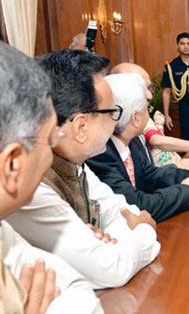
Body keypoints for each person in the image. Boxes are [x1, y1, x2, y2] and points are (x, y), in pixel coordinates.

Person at [7, 49, 160, 290]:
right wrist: (144, 229)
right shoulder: (31, 185)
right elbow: (111, 268)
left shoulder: (78, 165)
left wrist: (103, 242)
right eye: (112, 113)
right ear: (80, 126)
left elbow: (119, 208)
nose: (116, 122)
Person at [0, 42, 102, 312]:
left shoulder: (4, 232)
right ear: (12, 165)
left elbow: (76, 290)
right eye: (50, 138)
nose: (55, 146)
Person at [87, 73, 189, 222]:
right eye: (147, 108)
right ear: (136, 118)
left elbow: (151, 176)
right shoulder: (100, 152)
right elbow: (137, 205)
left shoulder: (131, 142)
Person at [111, 63, 189, 167]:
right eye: (142, 88)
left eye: (150, 88)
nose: (150, 96)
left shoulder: (142, 115)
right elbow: (157, 141)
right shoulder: (127, 121)